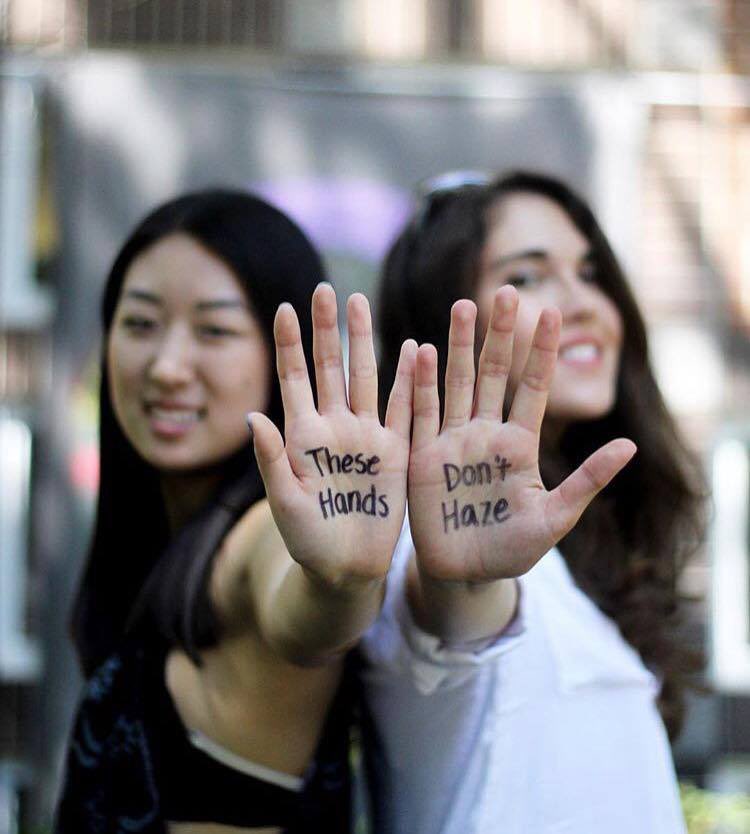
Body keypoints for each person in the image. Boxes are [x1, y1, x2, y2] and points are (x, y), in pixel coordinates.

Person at [54, 189, 419, 833]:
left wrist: (343, 580)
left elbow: (304, 612)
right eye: (140, 323)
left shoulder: (260, 539)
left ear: (287, 361)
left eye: (215, 330)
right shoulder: (170, 537)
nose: (167, 366)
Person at [358, 170, 705, 834]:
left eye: (591, 271)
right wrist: (461, 576)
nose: (583, 304)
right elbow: (453, 621)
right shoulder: (421, 534)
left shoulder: (582, 550)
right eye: (527, 277)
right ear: (445, 321)